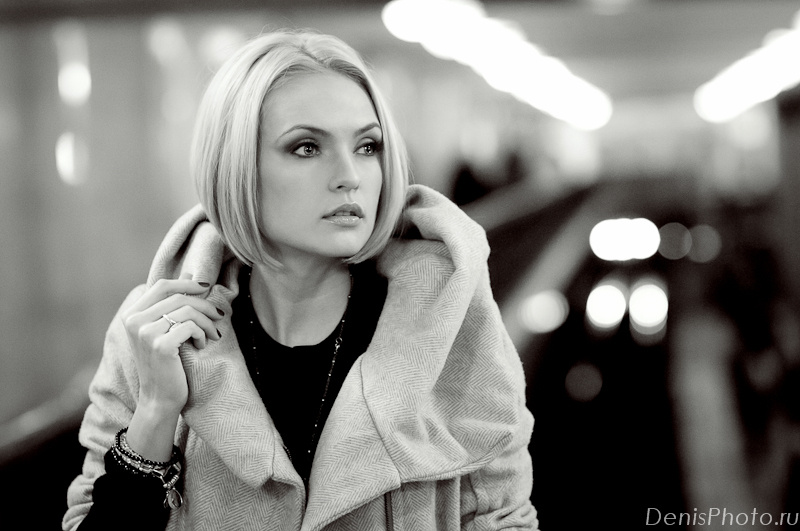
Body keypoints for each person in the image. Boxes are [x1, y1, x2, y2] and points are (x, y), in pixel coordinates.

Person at [63, 29, 537, 530]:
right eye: (307, 147)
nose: (350, 175)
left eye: (367, 146)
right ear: (237, 167)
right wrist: (156, 412)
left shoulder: (450, 322)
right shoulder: (152, 334)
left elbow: (505, 517)